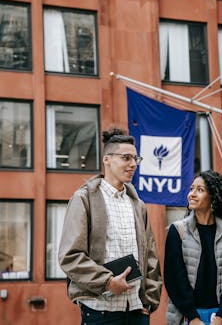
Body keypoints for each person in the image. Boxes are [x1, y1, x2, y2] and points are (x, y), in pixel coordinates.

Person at [58, 128, 162, 325]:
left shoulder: (138, 205)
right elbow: (70, 256)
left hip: (137, 310)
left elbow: (151, 257)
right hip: (100, 311)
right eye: (126, 158)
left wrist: (149, 301)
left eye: (135, 159)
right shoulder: (83, 199)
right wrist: (107, 282)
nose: (132, 164)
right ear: (107, 159)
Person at [164, 170, 222, 325]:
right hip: (186, 317)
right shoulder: (177, 231)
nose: (192, 194)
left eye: (200, 190)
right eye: (191, 189)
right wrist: (193, 317)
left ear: (213, 197)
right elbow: (174, 279)